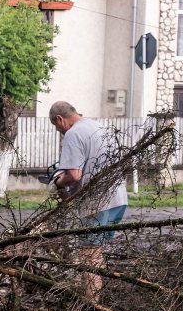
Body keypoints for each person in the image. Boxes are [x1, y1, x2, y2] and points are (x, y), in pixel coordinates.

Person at [49, 100, 128, 300]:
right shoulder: (97, 126)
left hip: (97, 202)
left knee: (89, 254)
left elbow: (74, 175)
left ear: (59, 119)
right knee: (96, 250)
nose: (58, 131)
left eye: (56, 126)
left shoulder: (73, 134)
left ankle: (91, 305)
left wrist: (57, 183)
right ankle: (95, 296)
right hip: (117, 197)